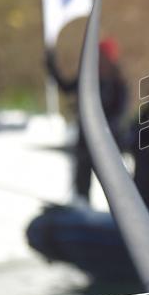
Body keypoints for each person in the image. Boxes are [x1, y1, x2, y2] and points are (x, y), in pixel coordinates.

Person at [46, 38, 129, 203]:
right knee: (82, 179)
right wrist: (51, 65)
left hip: (107, 140)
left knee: (111, 182)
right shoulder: (87, 78)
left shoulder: (118, 84)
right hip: (85, 140)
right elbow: (66, 87)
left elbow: (119, 113)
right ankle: (83, 206)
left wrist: (100, 126)